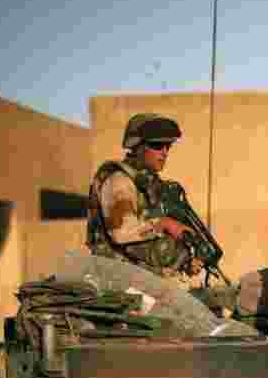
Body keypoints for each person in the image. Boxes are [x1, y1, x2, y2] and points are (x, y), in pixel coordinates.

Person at [86, 113, 203, 280]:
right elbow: (122, 232)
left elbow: (144, 241)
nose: (164, 152)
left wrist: (183, 259)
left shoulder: (147, 184)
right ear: (137, 146)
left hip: (141, 282)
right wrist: (165, 224)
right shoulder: (119, 180)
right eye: (157, 145)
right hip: (113, 282)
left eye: (168, 146)